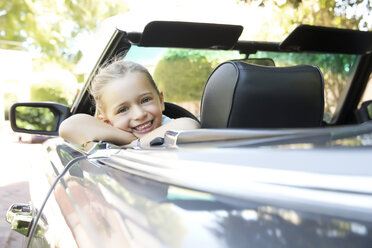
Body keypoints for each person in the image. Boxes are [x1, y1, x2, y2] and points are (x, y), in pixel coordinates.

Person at [59, 60, 200, 147]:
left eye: (145, 100)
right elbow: (68, 127)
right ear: (107, 122)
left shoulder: (168, 125)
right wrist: (127, 139)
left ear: (161, 100)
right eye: (122, 110)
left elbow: (190, 125)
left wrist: (134, 144)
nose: (139, 114)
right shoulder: (109, 136)